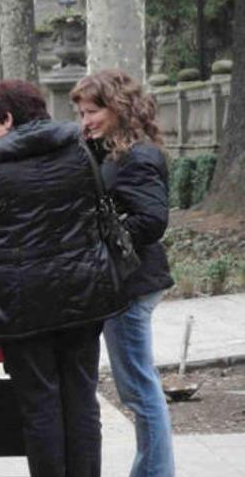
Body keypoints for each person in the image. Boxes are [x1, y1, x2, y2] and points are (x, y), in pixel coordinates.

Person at [0, 79, 128, 477]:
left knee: (39, 404)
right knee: (82, 399)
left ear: (8, 118)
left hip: (23, 300)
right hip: (84, 290)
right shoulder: (80, 147)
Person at [71, 69, 176, 477]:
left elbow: (152, 220)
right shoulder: (112, 150)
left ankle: (154, 472)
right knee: (138, 386)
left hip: (131, 284)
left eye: (92, 111)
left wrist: (106, 242)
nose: (85, 121)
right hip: (124, 282)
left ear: (118, 106)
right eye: (81, 113)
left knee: (139, 389)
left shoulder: (138, 155)